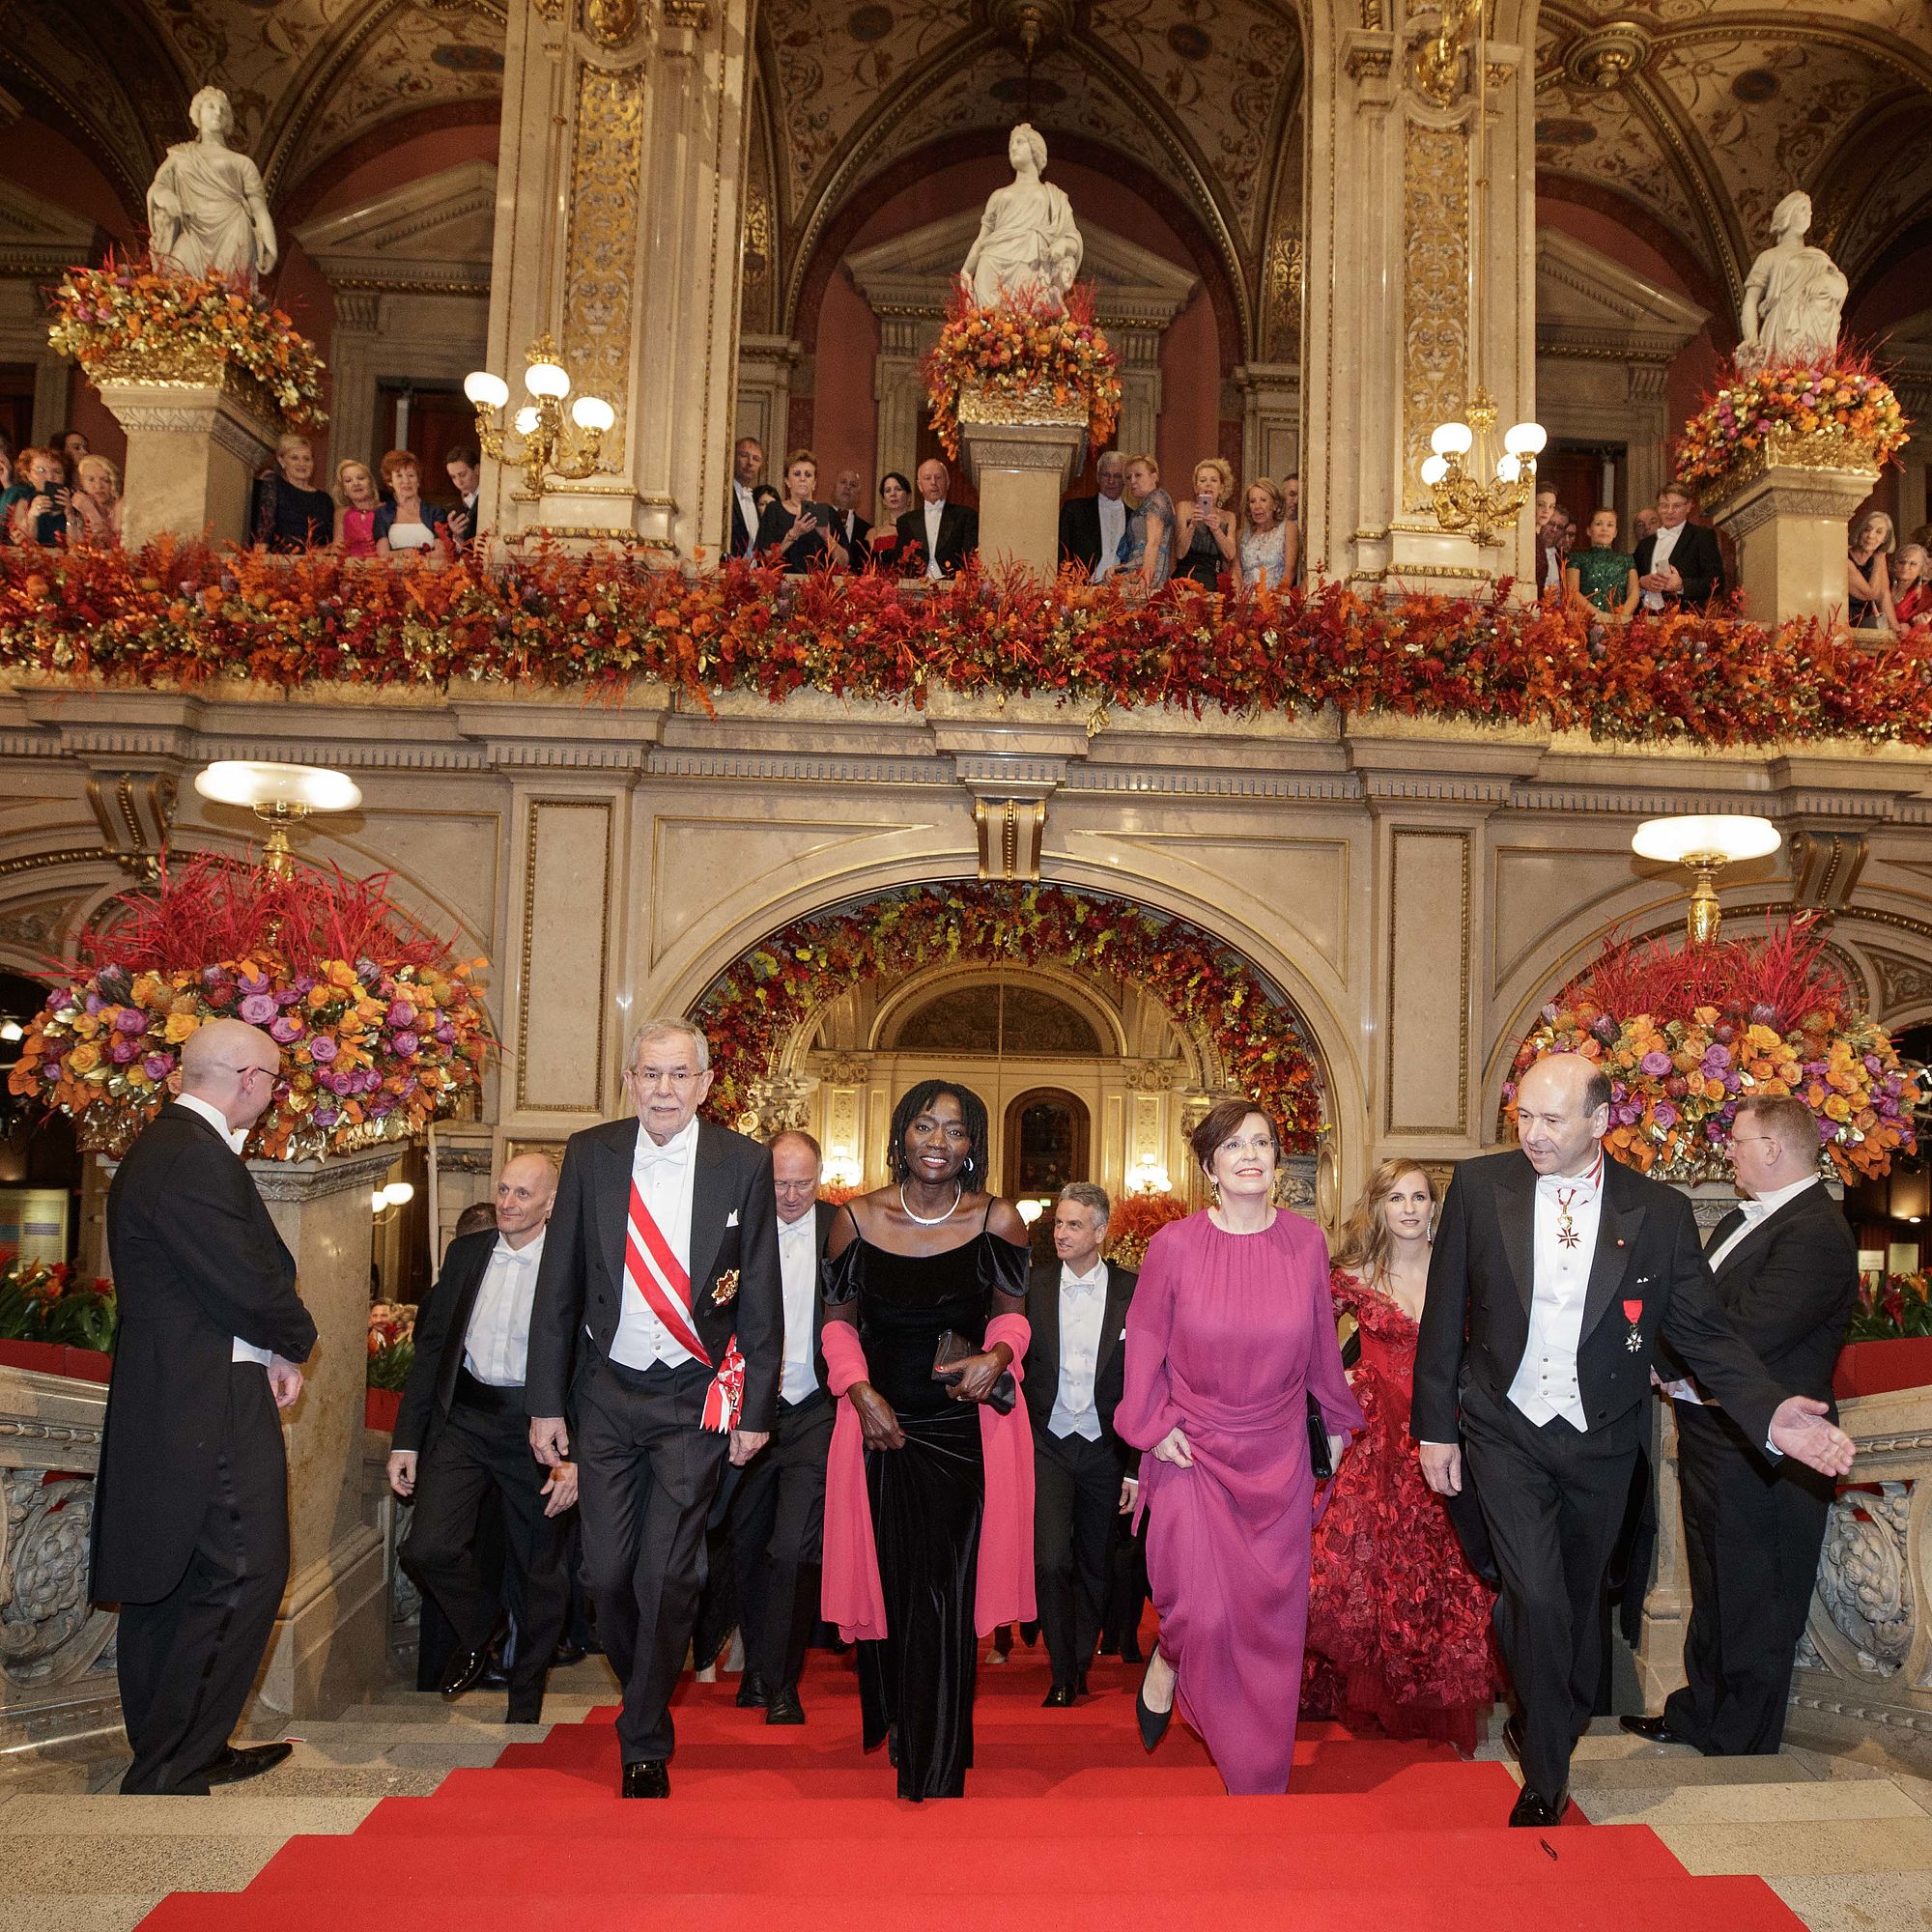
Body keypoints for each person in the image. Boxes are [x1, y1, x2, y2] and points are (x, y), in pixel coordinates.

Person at [1412, 1052, 1859, 1828]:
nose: (1534, 1134)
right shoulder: (1481, 1188)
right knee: (1535, 1593)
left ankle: (1552, 1709)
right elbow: (1445, 1310)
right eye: (1524, 1117)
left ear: (1599, 1120)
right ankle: (1547, 1769)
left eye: (1553, 1120)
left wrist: (1766, 1410)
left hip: (1602, 1438)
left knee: (1577, 1598)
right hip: (1504, 1427)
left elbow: (1703, 1331)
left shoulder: (1657, 1210)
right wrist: (1433, 1429)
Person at [526, 1019, 781, 1799]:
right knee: (605, 1575)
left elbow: (760, 1296)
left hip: (692, 1398)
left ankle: (642, 1733)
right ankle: (649, 1678)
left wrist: (755, 1411)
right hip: (605, 1395)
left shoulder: (744, 1163)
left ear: (705, 1084)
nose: (663, 1090)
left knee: (669, 1574)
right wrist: (545, 1403)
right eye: (649, 1074)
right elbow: (558, 1287)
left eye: (678, 1075)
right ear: (630, 1081)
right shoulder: (590, 1154)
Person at [92, 1017, 317, 1795]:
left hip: (180, 1385)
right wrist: (294, 1338)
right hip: (205, 1393)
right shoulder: (192, 1155)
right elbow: (245, 1278)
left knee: (181, 1571)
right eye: (274, 1081)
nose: (273, 1096)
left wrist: (270, 1346)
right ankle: (174, 1758)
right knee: (247, 1567)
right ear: (249, 1079)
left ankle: (183, 1744)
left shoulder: (167, 1147)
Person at [1117, 1098, 1363, 1795]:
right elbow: (1147, 1344)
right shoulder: (1173, 1246)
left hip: (1277, 1456)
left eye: (1261, 1142)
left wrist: (1336, 1419)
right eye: (1232, 1145)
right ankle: (1172, 1653)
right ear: (1209, 1166)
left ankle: (1255, 1773)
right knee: (1197, 1610)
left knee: (1265, 1622)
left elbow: (1321, 1343)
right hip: (1190, 1450)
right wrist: (1153, 1425)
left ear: (1277, 1161)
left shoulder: (1306, 1243)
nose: (1249, 1155)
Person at [1626, 1094, 1859, 1758]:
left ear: (1773, 1148)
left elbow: (1747, 1332)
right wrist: (1663, 1362)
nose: (1727, 1150)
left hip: (1770, 1448)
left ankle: (1742, 1746)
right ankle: (1698, 1715)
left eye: (1738, 1140)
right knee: (1713, 1587)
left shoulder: (1817, 1232)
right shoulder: (1735, 1218)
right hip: (1711, 1433)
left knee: (1758, 1597)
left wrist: (1666, 1367)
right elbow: (1689, 1310)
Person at [819, 1080, 1034, 1800]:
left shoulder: (998, 1220)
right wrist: (859, 1392)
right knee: (892, 1587)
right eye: (924, 1126)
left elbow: (1013, 1317)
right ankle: (902, 1722)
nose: (938, 1141)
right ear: (901, 1135)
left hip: (961, 1433)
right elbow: (838, 1325)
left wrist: (998, 1356)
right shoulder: (854, 1220)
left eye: (955, 1129)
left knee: (941, 1590)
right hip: (878, 1430)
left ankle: (934, 1759)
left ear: (973, 1145)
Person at [1304, 1161, 1500, 1754]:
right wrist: (1338, 1385)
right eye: (1397, 1198)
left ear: (1435, 1208)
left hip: (1448, 1434)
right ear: (1379, 1207)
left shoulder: (1461, 1270)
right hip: (1378, 1438)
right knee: (1367, 1569)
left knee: (1446, 1568)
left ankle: (1429, 1693)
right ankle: (1373, 1689)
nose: (1410, 1209)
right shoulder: (1353, 1275)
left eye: (1419, 1197)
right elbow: (1306, 1343)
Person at [389, 1154, 576, 1724]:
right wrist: (406, 1440)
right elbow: (432, 1352)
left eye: (523, 1194)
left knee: (539, 1569)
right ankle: (482, 1623)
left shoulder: (575, 1264)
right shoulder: (467, 1253)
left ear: (550, 1204)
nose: (507, 1203)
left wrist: (579, 1457)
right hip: (465, 1421)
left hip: (537, 1429)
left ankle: (525, 1704)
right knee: (426, 1548)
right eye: (503, 1190)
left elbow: (592, 1366)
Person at [727, 1129, 838, 1725]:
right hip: (747, 1411)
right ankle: (756, 1668)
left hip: (815, 1409)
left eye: (804, 1183)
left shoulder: (843, 1231)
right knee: (747, 1546)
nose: (792, 1196)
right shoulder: (736, 1227)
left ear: (820, 1178)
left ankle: (782, 1682)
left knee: (794, 1548)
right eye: (780, 1183)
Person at [1024, 1181, 1137, 1706]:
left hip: (1105, 1447)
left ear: (1101, 1231)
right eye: (1059, 1223)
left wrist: (1134, 1466)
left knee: (1095, 1561)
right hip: (1047, 1442)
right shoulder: (1031, 1286)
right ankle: (1060, 1670)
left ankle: (1079, 1662)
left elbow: (1148, 1378)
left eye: (1074, 1224)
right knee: (1050, 1560)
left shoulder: (1134, 1290)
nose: (1061, 1233)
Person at [146, 86, 277, 286]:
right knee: (176, 281)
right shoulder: (181, 155)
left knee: (231, 295)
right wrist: (165, 195)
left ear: (228, 120)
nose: (217, 112)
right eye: (211, 106)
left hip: (233, 228)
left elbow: (259, 209)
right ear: (198, 113)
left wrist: (270, 246)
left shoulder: (242, 163)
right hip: (192, 229)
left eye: (222, 109)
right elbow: (158, 186)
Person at [959, 123, 1082, 310]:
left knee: (1027, 319)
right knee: (989, 321)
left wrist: (1063, 244)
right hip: (992, 263)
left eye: (1019, 142)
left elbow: (1073, 239)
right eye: (1011, 145)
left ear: (1035, 150)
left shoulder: (1052, 195)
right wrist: (967, 270)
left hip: (1030, 262)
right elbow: (982, 239)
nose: (1013, 148)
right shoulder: (998, 195)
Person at [1635, 482, 1725, 611]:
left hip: (1684, 617)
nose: (1670, 511)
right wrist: (1641, 583)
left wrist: (1681, 585)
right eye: (1664, 506)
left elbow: (1717, 583)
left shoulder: (1701, 536)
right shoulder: (1645, 545)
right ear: (1658, 508)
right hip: (1643, 618)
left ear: (1688, 507)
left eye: (1676, 506)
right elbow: (1628, 583)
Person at [755, 447, 849, 572]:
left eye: (808, 475)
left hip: (819, 582)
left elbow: (844, 563)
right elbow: (766, 561)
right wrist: (793, 534)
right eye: (797, 474)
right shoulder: (774, 510)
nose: (802, 479)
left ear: (814, 483)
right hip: (783, 582)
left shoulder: (828, 512)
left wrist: (827, 537)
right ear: (787, 481)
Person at [251, 435, 336, 553]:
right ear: (282, 461)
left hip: (317, 562)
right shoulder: (274, 485)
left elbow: (331, 542)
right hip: (278, 561)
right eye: (295, 458)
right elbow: (263, 532)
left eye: (307, 459)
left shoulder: (325, 500)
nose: (302, 463)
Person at [897, 459, 978, 580]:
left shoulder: (966, 516)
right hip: (914, 587)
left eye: (938, 477)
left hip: (954, 587)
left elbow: (970, 560)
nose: (933, 482)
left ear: (948, 482)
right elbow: (900, 562)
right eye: (927, 478)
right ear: (919, 485)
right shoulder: (905, 521)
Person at [1058, 451, 1128, 580]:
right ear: (1097, 476)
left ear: (1125, 479)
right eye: (1106, 475)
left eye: (1117, 476)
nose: (1111, 481)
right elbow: (1061, 551)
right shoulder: (1075, 509)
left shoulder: (1134, 516)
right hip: (1081, 586)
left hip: (1122, 587)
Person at [1172, 458, 1238, 589]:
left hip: (1213, 580)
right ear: (1196, 488)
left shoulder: (1229, 517)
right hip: (1185, 578)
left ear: (1221, 488)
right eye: (1203, 480)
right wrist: (1192, 526)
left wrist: (1217, 530)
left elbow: (1230, 554)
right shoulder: (1184, 508)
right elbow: (1179, 553)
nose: (1208, 485)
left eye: (1213, 480)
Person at [374, 450, 451, 561]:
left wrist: (411, 557)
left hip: (431, 570)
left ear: (418, 480)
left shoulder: (436, 512)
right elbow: (383, 554)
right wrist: (409, 554)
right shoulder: (382, 513)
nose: (406, 481)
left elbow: (442, 553)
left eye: (411, 475)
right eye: (399, 476)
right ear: (390, 481)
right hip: (393, 570)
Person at [1564, 506, 1638, 621]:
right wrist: (1599, 616)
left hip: (1619, 623)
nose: (1604, 529)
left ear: (1615, 532)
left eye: (1610, 525)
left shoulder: (1627, 559)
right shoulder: (1576, 558)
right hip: (1586, 621)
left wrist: (1621, 617)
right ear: (1589, 530)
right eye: (1598, 524)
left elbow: (1634, 593)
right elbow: (1573, 592)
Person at [1120, 454, 1175, 591]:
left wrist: (1145, 582)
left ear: (1154, 476)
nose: (1132, 481)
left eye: (1138, 475)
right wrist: (1119, 569)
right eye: (1128, 477)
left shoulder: (1157, 498)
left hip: (1149, 573)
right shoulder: (1148, 502)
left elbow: (1153, 543)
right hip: (1137, 570)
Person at [1239, 477, 1294, 590]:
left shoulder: (1288, 528)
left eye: (1263, 500)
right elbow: (1236, 572)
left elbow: (1290, 571)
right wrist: (1238, 597)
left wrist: (1275, 598)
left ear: (1275, 505)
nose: (1257, 507)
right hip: (1246, 597)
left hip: (1276, 597)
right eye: (1252, 501)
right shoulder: (1241, 534)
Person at [7, 445, 69, 546]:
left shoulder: (73, 502)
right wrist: (32, 516)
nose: (50, 477)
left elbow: (80, 544)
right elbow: (22, 543)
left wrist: (70, 516)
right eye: (41, 470)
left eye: (56, 471)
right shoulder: (24, 501)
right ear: (29, 475)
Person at [1847, 510, 1896, 630]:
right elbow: (1869, 594)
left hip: (1865, 625)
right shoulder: (1845, 557)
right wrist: (1880, 560)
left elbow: (1883, 595)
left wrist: (1896, 628)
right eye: (1867, 529)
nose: (1871, 535)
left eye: (1879, 532)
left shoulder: (1878, 557)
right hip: (1841, 623)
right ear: (1860, 531)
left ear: (1885, 538)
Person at [71, 455, 124, 549]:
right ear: (82, 483)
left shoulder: (121, 505)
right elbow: (73, 545)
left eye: (105, 480)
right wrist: (69, 516)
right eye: (91, 480)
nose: (98, 486)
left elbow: (115, 548)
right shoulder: (80, 504)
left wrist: (92, 512)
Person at [334, 459, 382, 558]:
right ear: (344, 491)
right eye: (348, 480)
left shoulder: (385, 510)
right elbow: (337, 548)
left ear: (371, 484)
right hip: (350, 565)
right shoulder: (341, 513)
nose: (356, 483)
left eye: (360, 478)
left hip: (381, 565)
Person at [728, 437, 764, 559]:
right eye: (744, 455)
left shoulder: (757, 499)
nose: (750, 462)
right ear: (732, 457)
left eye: (756, 459)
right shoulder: (724, 495)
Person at [828, 469, 871, 568]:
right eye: (843, 482)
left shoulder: (868, 531)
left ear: (859, 495)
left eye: (853, 485)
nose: (848, 487)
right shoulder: (818, 521)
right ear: (833, 488)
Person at [445, 445, 482, 553]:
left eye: (462, 474)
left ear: (477, 469)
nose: (459, 482)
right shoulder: (459, 504)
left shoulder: (489, 499)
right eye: (453, 477)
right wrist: (457, 535)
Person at [1891, 542, 1930, 629]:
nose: (1905, 567)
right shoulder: (1884, 583)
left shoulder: (1925, 596)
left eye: (1913, 564)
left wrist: (1912, 625)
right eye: (1901, 562)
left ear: (1922, 569)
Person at [1533, 488, 1562, 599]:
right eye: (1541, 505)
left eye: (1551, 507)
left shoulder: (1540, 540)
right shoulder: (1527, 538)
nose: (1546, 511)